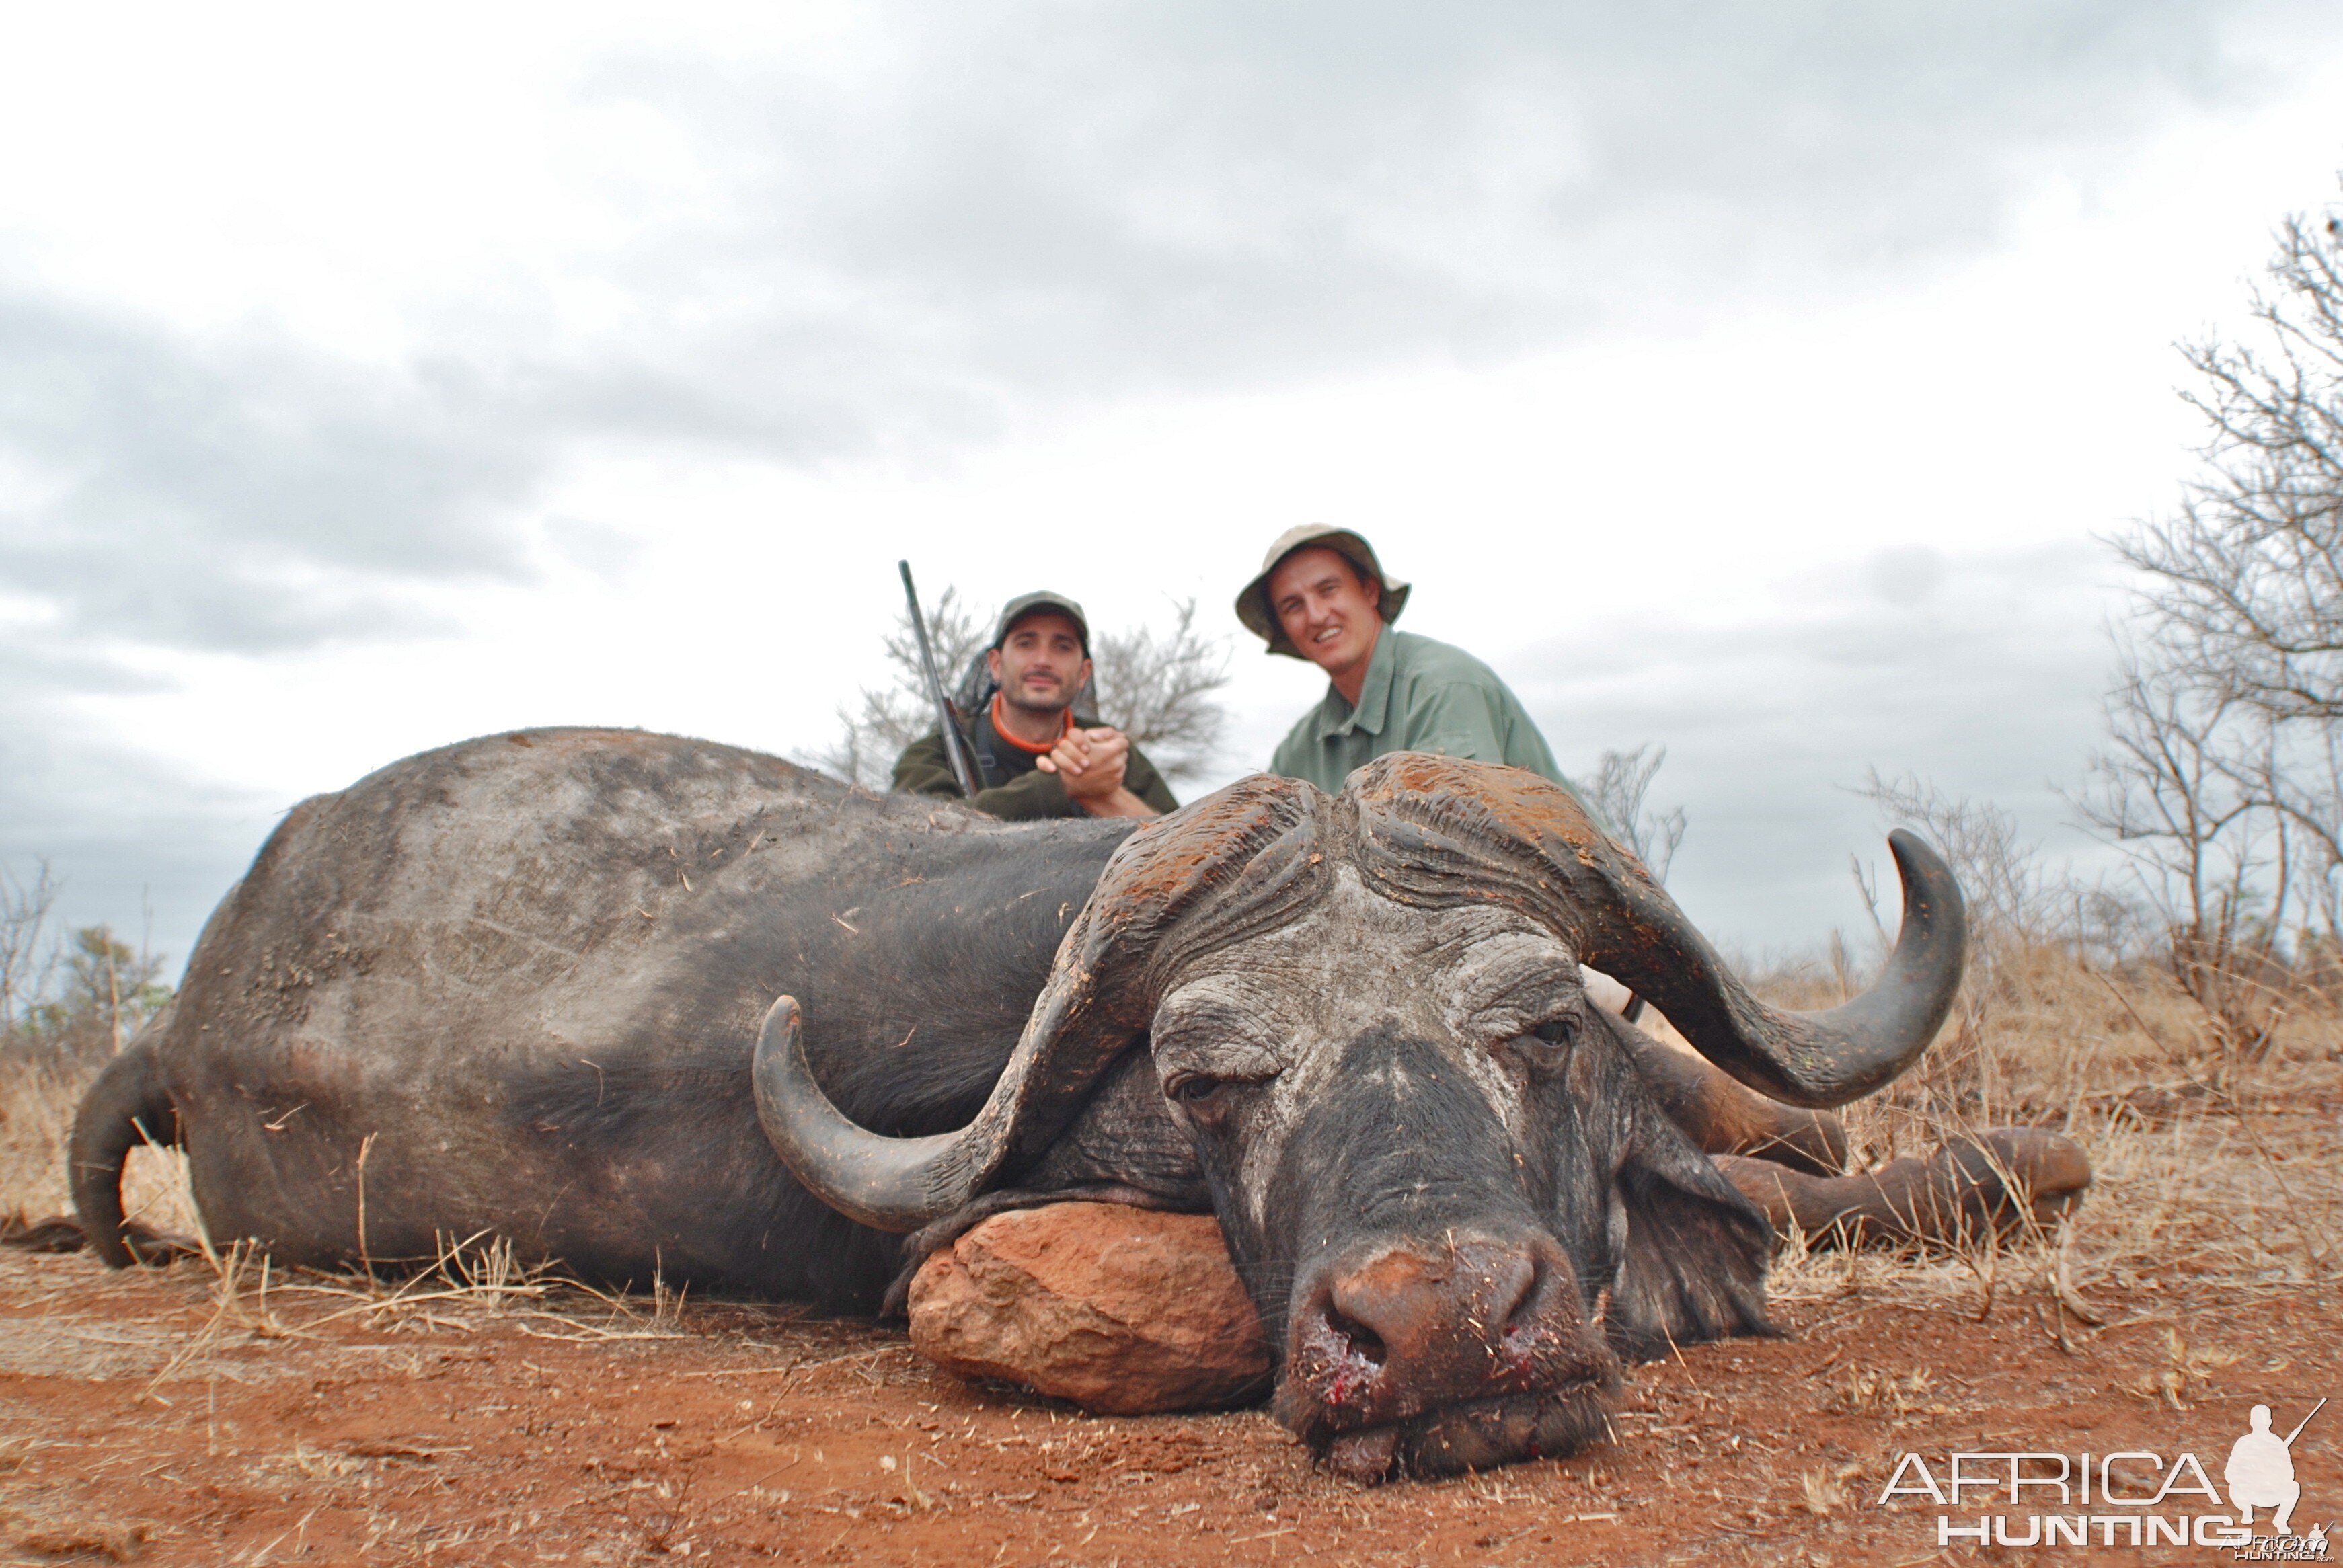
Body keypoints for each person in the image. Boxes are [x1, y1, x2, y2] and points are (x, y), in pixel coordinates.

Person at [1238, 525, 1589, 803]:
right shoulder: (1298, 750)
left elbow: (1456, 852)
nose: (1316, 615)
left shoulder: (1443, 686)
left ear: (1370, 592)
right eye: (1293, 606)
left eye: (1329, 589)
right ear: (1284, 626)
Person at [893, 590, 1178, 821]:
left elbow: (1189, 854)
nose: (1043, 659)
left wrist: (1107, 795)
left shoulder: (1112, 752)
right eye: (1026, 643)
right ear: (995, 664)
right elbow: (916, 838)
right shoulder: (933, 753)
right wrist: (1063, 786)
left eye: (1063, 646)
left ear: (1084, 673)